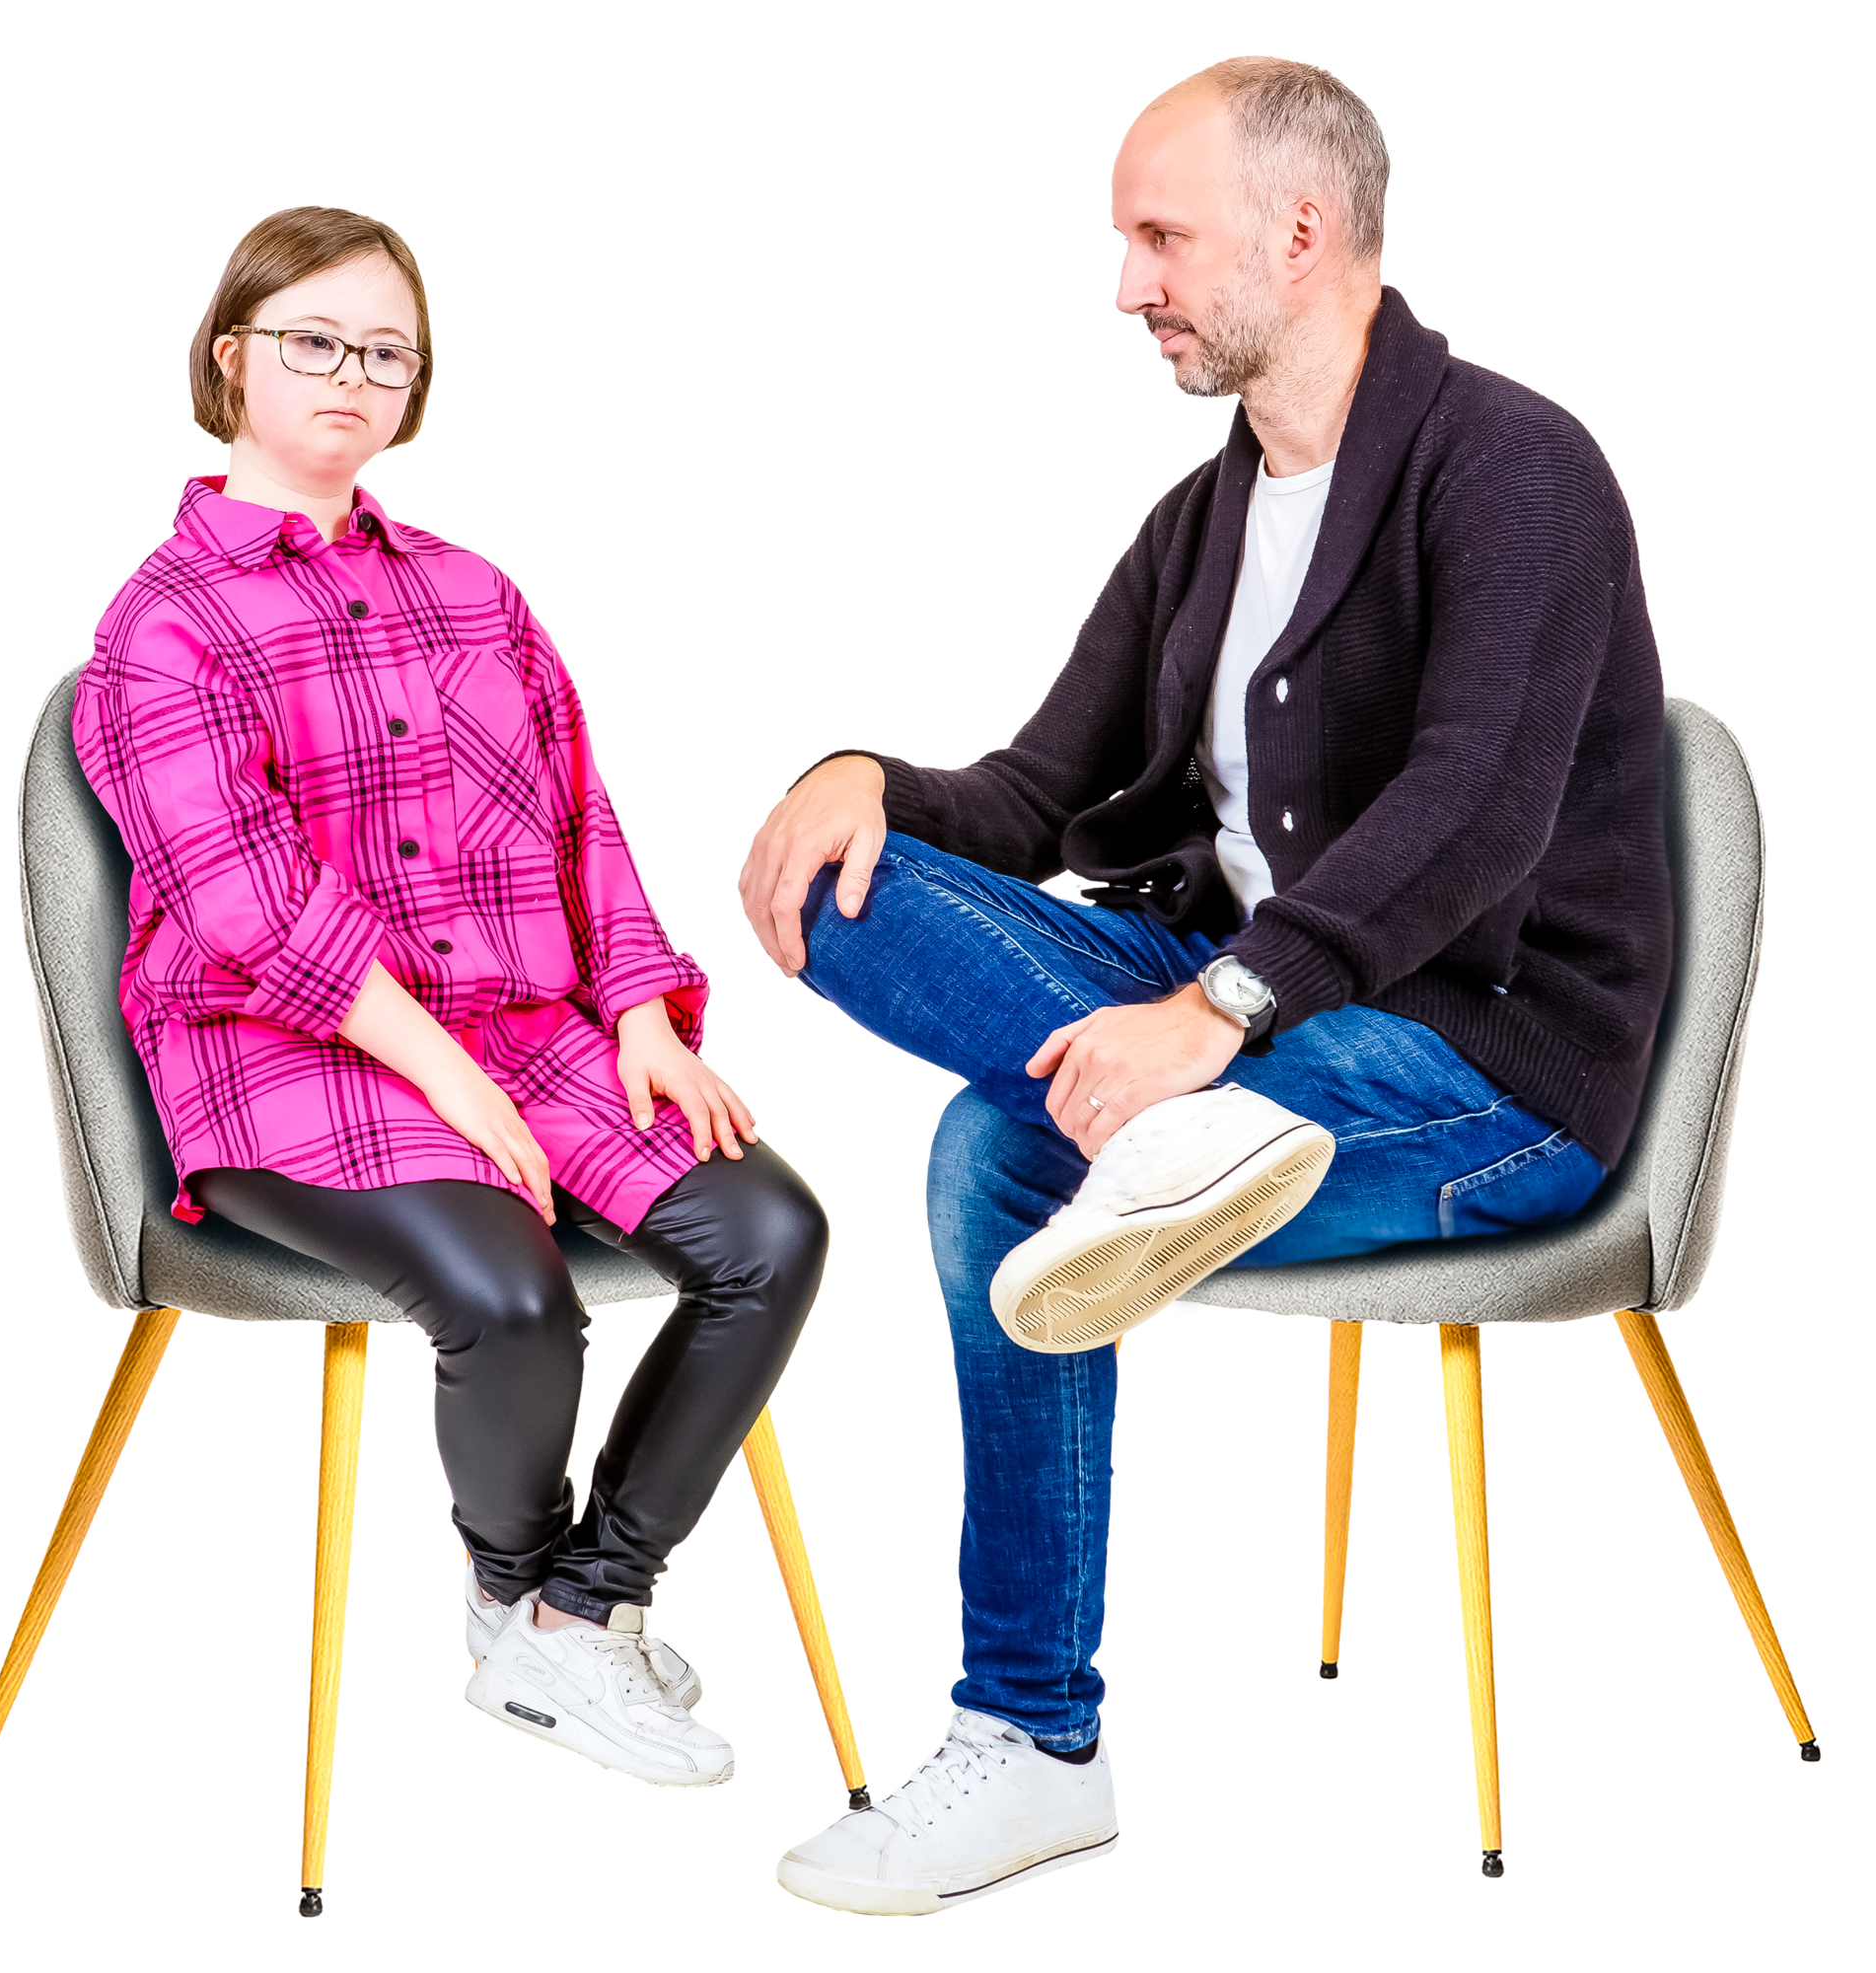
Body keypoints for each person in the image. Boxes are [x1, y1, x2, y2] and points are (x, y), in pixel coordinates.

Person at [740, 57, 1670, 1913]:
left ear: (1301, 233)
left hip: (1488, 1065)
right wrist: (877, 784)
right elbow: (1034, 790)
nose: (1128, 285)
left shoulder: (1519, 466)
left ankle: (1200, 1144)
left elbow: (1473, 815)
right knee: (850, 897)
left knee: (989, 1161)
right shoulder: (1204, 515)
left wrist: (1225, 1015)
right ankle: (1035, 1760)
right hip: (1247, 1011)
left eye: (1159, 238)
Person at [74, 204, 830, 1791]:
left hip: (525, 1027)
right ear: (232, 359)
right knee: (507, 1290)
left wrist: (633, 1008)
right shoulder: (165, 626)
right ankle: (514, 1601)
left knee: (769, 1235)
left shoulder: (482, 594)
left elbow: (584, 819)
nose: (352, 376)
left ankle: (579, 1616)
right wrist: (452, 1085)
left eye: (387, 354)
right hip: (284, 1056)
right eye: (314, 342)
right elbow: (241, 907)